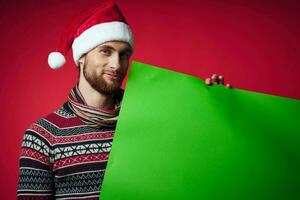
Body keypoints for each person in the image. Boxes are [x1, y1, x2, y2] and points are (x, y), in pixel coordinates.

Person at [17, 1, 231, 199]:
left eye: (124, 54)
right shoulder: (43, 136)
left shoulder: (153, 118)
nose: (117, 64)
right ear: (81, 56)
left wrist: (213, 109)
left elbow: (199, 164)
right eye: (105, 51)